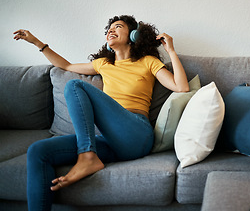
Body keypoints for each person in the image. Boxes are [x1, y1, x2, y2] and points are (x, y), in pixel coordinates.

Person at [13, 15, 189, 211]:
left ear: (133, 34)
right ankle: (88, 154)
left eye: (118, 27)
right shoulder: (103, 64)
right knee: (38, 151)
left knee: (74, 86)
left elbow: (180, 87)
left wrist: (171, 51)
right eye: (108, 29)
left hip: (137, 134)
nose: (110, 31)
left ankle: (87, 156)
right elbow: (67, 66)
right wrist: (37, 42)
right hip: (110, 141)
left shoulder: (148, 62)